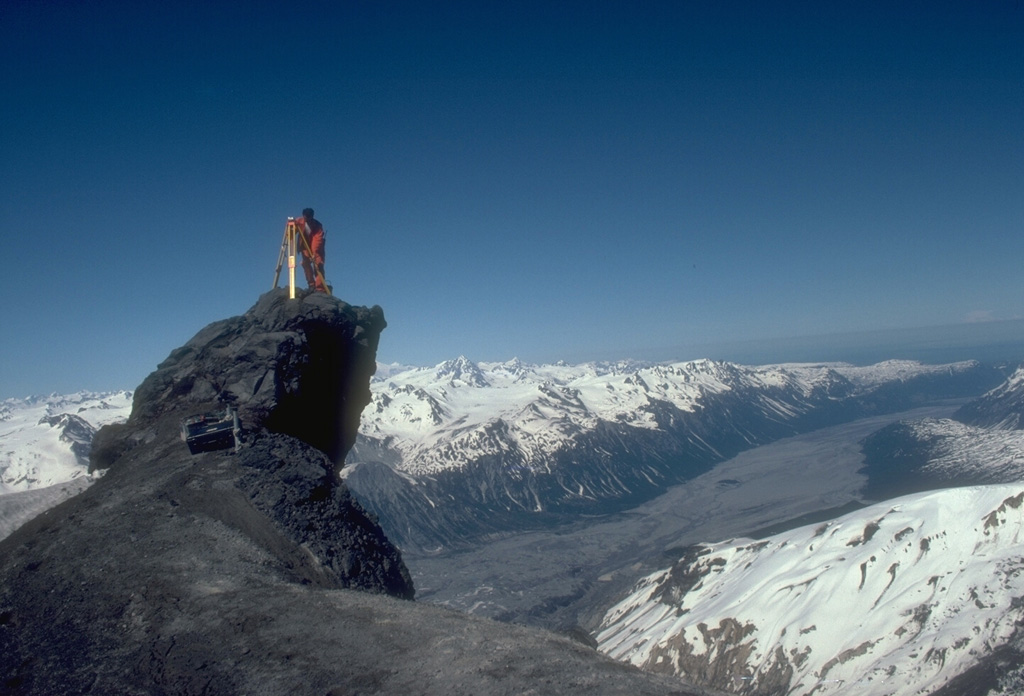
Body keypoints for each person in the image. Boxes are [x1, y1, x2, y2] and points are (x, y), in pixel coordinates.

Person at [297, 207, 327, 293]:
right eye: (306, 217)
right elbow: (292, 229)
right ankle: (311, 284)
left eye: (309, 217)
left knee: (318, 264)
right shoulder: (299, 221)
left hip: (317, 248)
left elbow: (317, 240)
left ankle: (320, 288)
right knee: (306, 263)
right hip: (305, 247)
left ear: (312, 217)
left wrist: (314, 252)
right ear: (303, 216)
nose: (308, 219)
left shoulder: (318, 226)